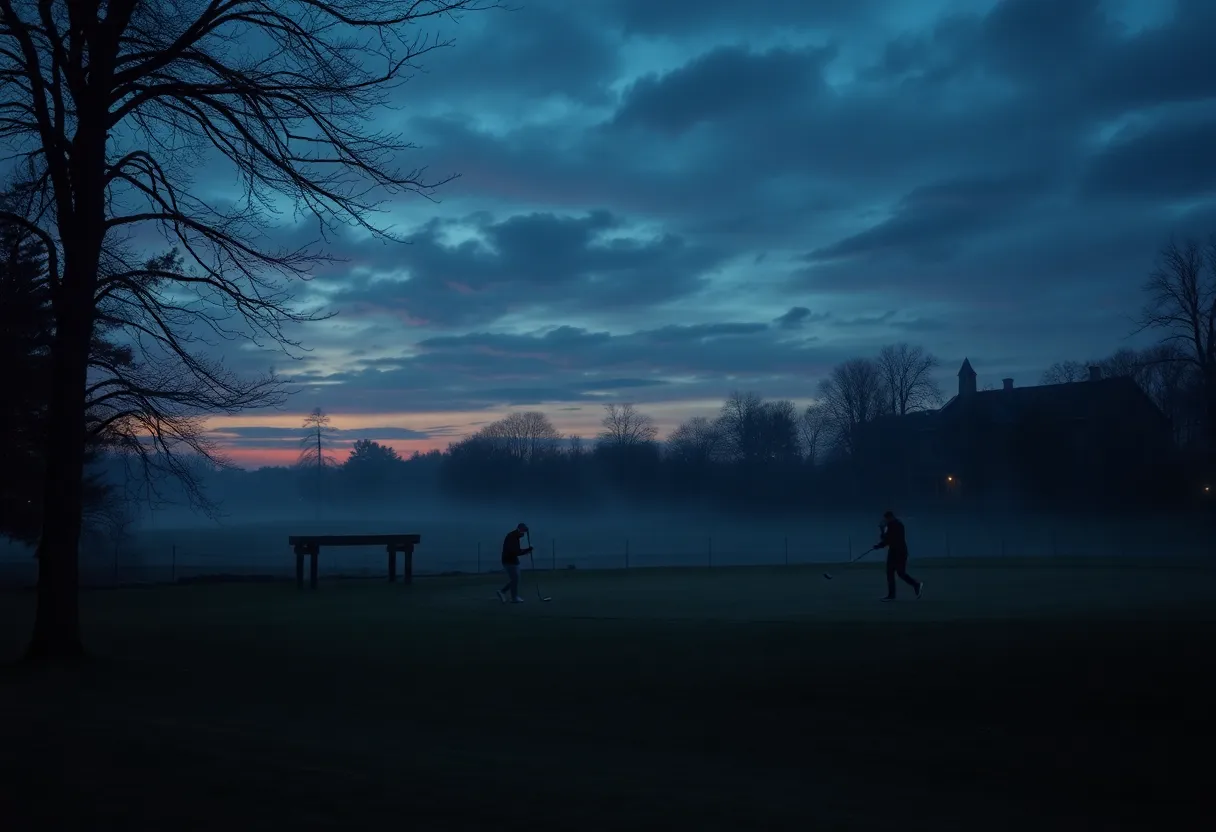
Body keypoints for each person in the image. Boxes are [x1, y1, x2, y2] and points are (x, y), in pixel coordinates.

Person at [874, 510, 923, 602]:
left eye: (886, 519)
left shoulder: (893, 525)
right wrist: (882, 533)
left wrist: (879, 544)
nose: (886, 521)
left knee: (897, 573)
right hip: (897, 552)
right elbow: (887, 539)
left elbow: (888, 539)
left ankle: (912, 586)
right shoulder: (895, 525)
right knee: (895, 573)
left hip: (897, 553)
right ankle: (893, 594)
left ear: (890, 517)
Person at [497, 522, 533, 604]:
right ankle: (513, 597)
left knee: (515, 579)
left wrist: (527, 550)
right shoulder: (512, 537)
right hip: (509, 560)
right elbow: (516, 551)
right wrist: (527, 550)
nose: (523, 533)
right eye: (523, 531)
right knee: (515, 579)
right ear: (519, 530)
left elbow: (516, 551)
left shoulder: (515, 537)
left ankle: (503, 592)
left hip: (512, 560)